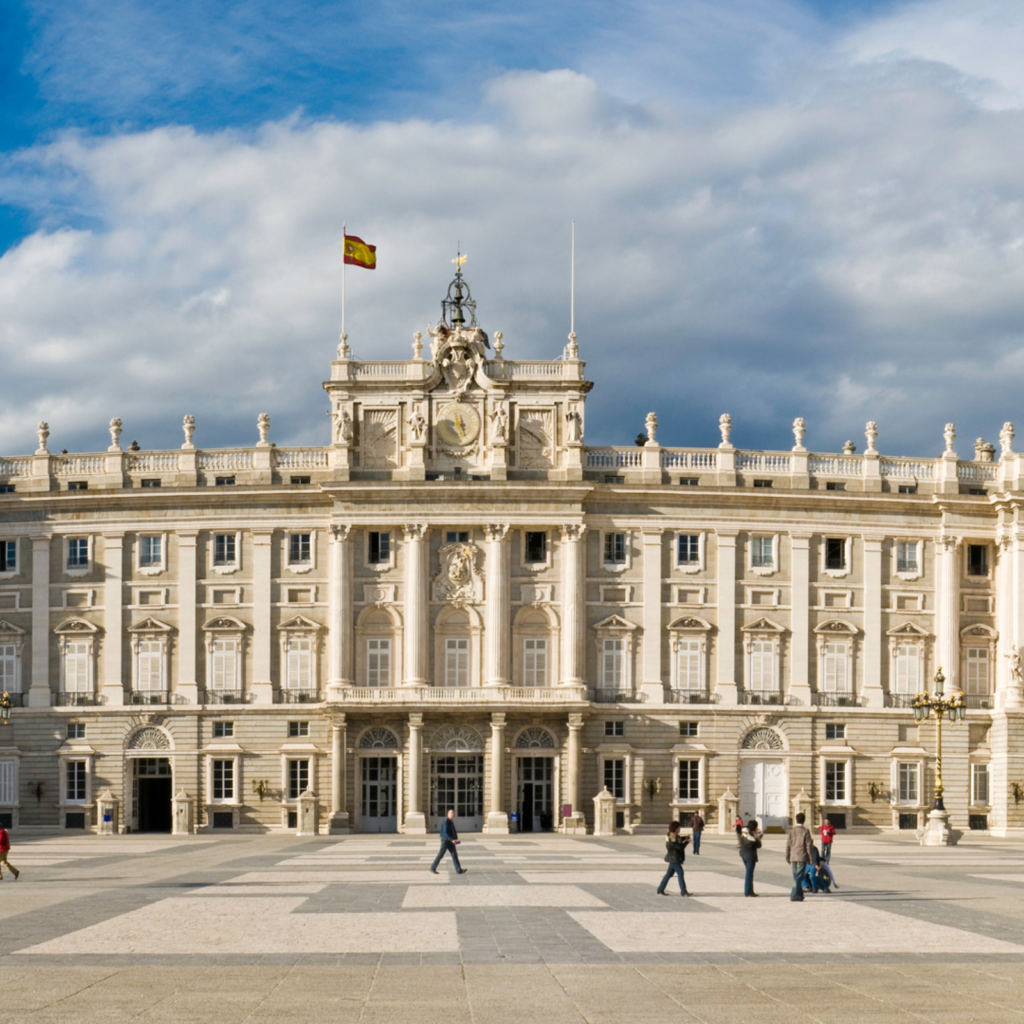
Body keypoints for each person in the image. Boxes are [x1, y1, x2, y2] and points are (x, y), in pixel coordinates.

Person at [785, 812, 815, 902]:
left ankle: (800, 895)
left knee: (796, 876)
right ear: (804, 820)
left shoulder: (792, 831)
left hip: (793, 856)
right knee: (798, 877)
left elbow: (788, 844)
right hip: (802, 856)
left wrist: (787, 856)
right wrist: (811, 858)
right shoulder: (805, 831)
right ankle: (794, 895)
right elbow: (808, 846)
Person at [656, 821, 692, 896]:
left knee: (668, 874)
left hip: (675, 858)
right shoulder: (671, 838)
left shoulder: (675, 836)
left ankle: (660, 889)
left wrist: (686, 837)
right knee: (680, 872)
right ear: (675, 828)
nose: (680, 829)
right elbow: (679, 847)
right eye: (679, 827)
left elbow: (680, 839)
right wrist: (686, 842)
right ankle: (683, 891)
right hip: (674, 858)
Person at [429, 809, 467, 875]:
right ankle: (432, 868)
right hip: (445, 841)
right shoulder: (445, 821)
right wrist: (452, 839)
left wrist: (454, 838)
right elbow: (445, 832)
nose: (453, 814)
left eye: (453, 813)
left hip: (450, 841)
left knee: (454, 855)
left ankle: (458, 870)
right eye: (451, 813)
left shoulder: (450, 821)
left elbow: (452, 830)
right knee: (441, 854)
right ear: (448, 814)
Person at [737, 818, 762, 897]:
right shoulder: (751, 836)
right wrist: (758, 837)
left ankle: (749, 890)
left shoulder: (744, 833)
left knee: (749, 873)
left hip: (743, 854)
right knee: (749, 874)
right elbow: (758, 845)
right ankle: (748, 891)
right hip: (750, 856)